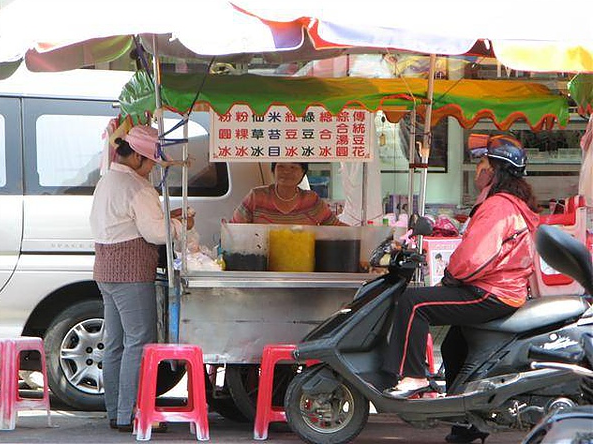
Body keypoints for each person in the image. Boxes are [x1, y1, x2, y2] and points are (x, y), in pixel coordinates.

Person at [380, 135, 539, 441]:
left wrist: (450, 278)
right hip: (501, 290)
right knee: (455, 347)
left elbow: (474, 257)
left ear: (494, 171)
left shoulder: (498, 206)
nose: (478, 168)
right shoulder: (510, 203)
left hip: (491, 292)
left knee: (415, 303)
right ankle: (466, 425)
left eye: (482, 162)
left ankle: (413, 377)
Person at [90, 125, 193, 431]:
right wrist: (180, 225)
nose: (152, 169)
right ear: (136, 157)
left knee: (116, 344)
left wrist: (166, 221)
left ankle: (115, 412)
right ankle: (128, 415)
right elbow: (153, 232)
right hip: (132, 271)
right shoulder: (137, 187)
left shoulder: (107, 180)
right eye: (150, 163)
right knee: (138, 341)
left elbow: (130, 223)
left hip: (106, 270)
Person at [231, 162, 344, 225]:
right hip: (262, 264)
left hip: (301, 264)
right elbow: (234, 227)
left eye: (293, 167)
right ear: (273, 170)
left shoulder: (311, 200)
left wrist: (360, 235)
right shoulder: (256, 197)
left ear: (303, 173)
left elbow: (335, 226)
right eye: (281, 166)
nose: (286, 171)